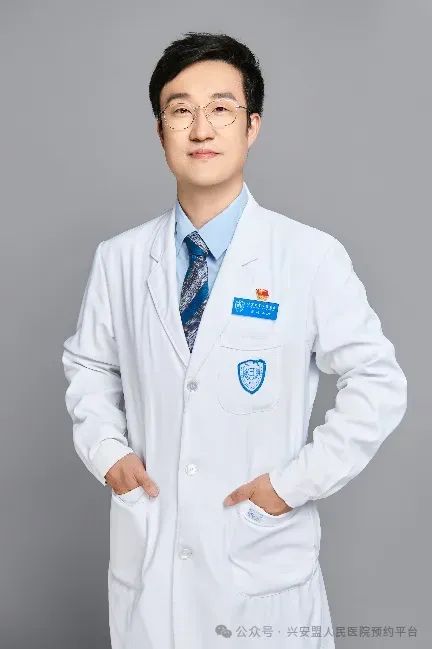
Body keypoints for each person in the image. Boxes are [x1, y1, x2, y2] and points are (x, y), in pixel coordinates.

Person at [62, 31, 407, 649]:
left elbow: (378, 383)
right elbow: (89, 366)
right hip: (152, 566)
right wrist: (107, 450)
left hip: (260, 571)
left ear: (252, 127)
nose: (201, 129)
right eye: (181, 110)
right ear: (160, 131)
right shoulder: (119, 259)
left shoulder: (309, 256)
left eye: (221, 108)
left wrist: (291, 486)